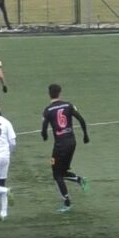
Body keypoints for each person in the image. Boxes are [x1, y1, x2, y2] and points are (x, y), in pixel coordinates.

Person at [41, 83, 89, 212]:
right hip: (72, 142)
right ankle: (79, 180)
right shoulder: (69, 105)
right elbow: (81, 120)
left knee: (56, 174)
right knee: (62, 171)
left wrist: (44, 136)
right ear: (60, 93)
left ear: (49, 94)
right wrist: (85, 135)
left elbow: (44, 128)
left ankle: (67, 202)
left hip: (60, 145)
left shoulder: (48, 110)